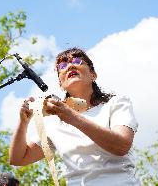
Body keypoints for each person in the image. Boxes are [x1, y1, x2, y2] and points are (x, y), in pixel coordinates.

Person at [9, 47, 141, 185]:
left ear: (93, 75)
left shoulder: (116, 103)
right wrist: (23, 122)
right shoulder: (55, 121)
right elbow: (18, 158)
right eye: (63, 65)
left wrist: (73, 118)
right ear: (61, 84)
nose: (70, 65)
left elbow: (121, 146)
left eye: (78, 61)